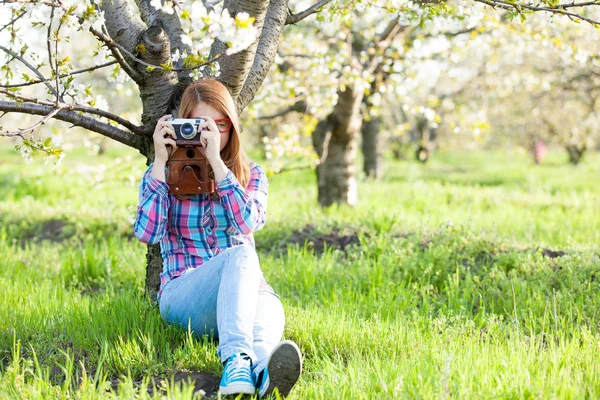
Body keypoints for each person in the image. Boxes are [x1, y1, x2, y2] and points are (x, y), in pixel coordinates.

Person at [133, 78, 302, 397]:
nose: (213, 134)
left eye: (220, 125)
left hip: (249, 296)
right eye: (201, 126)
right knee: (240, 255)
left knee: (268, 308)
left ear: (233, 127)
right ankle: (236, 361)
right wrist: (159, 161)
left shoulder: (251, 174)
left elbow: (249, 221)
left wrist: (217, 166)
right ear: (183, 125)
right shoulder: (162, 174)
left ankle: (264, 374)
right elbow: (148, 233)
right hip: (185, 295)